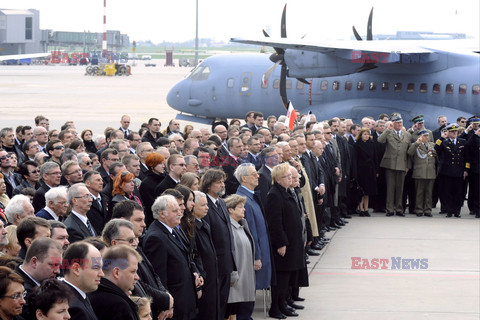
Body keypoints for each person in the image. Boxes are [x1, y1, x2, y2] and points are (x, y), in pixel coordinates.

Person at [142, 195, 197, 320]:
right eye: (175, 211)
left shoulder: (173, 230)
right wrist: (166, 305)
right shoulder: (155, 238)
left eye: (179, 209)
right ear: (162, 214)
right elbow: (159, 275)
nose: (180, 213)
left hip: (185, 299)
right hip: (174, 305)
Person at [265, 163, 305, 319]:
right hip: (284, 244)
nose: (290, 179)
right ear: (277, 179)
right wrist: (281, 243)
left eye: (291, 176)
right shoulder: (275, 195)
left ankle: (284, 304)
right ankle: (275, 307)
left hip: (293, 242)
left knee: (288, 277)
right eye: (287, 177)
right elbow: (275, 222)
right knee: (281, 279)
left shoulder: (287, 192)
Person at [199, 169, 236, 318]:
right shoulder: (204, 204)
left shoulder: (220, 202)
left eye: (223, 182)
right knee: (214, 304)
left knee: (223, 301)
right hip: (214, 264)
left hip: (225, 262)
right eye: (218, 182)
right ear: (208, 185)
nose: (222, 185)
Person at [234, 163, 272, 291]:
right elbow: (251, 232)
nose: (258, 176)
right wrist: (256, 257)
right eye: (254, 174)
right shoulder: (244, 200)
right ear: (244, 178)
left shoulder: (252, 196)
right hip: (257, 252)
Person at [88, 245, 142, 320]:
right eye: (133, 272)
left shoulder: (92, 294)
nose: (137, 277)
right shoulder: (118, 306)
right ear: (117, 273)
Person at [224, 194, 255, 320]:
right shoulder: (229, 229)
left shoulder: (242, 225)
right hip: (237, 283)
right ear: (230, 209)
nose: (244, 209)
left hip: (246, 281)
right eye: (240, 207)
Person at [191, 191, 219, 320]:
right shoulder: (192, 228)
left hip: (212, 278)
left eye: (207, 204)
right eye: (203, 205)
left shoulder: (203, 224)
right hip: (204, 280)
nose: (207, 208)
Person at [377, 114, 411, 216]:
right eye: (397, 123)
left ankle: (399, 209)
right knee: (390, 188)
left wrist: (408, 166)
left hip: (402, 164)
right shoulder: (389, 133)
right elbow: (380, 140)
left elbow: (409, 152)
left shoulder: (407, 135)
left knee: (400, 189)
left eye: (400, 122)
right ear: (393, 123)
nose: (399, 124)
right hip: (390, 164)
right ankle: (390, 209)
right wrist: (387, 129)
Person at [62, 241, 104, 320]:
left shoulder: (78, 296)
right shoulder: (74, 308)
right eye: (96, 267)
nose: (102, 274)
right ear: (76, 269)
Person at [434, 124, 468, 217]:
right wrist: (441, 138)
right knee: (447, 192)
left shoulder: (462, 142)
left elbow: (466, 157)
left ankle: (457, 211)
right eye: (452, 132)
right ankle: (449, 211)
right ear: (448, 133)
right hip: (447, 171)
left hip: (459, 171)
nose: (454, 133)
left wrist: (466, 169)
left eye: (455, 131)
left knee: (458, 193)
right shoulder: (444, 142)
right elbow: (435, 150)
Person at [407, 129, 437, 217]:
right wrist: (417, 143)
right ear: (420, 136)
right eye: (425, 136)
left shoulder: (431, 144)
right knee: (419, 192)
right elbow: (409, 152)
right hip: (420, 172)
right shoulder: (416, 145)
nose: (427, 137)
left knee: (429, 192)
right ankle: (419, 209)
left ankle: (428, 210)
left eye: (427, 136)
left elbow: (436, 154)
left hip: (430, 172)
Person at [354, 127, 378, 216]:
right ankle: (361, 209)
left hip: (370, 170)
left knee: (368, 191)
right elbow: (355, 159)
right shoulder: (357, 145)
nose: (366, 136)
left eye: (368, 134)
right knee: (361, 191)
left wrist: (376, 170)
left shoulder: (372, 144)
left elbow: (375, 158)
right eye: (364, 134)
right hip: (361, 170)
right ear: (360, 135)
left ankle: (366, 209)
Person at [139, 153, 165, 228]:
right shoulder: (146, 184)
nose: (163, 166)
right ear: (152, 165)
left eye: (163, 163)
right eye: (160, 164)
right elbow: (150, 206)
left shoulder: (165, 178)